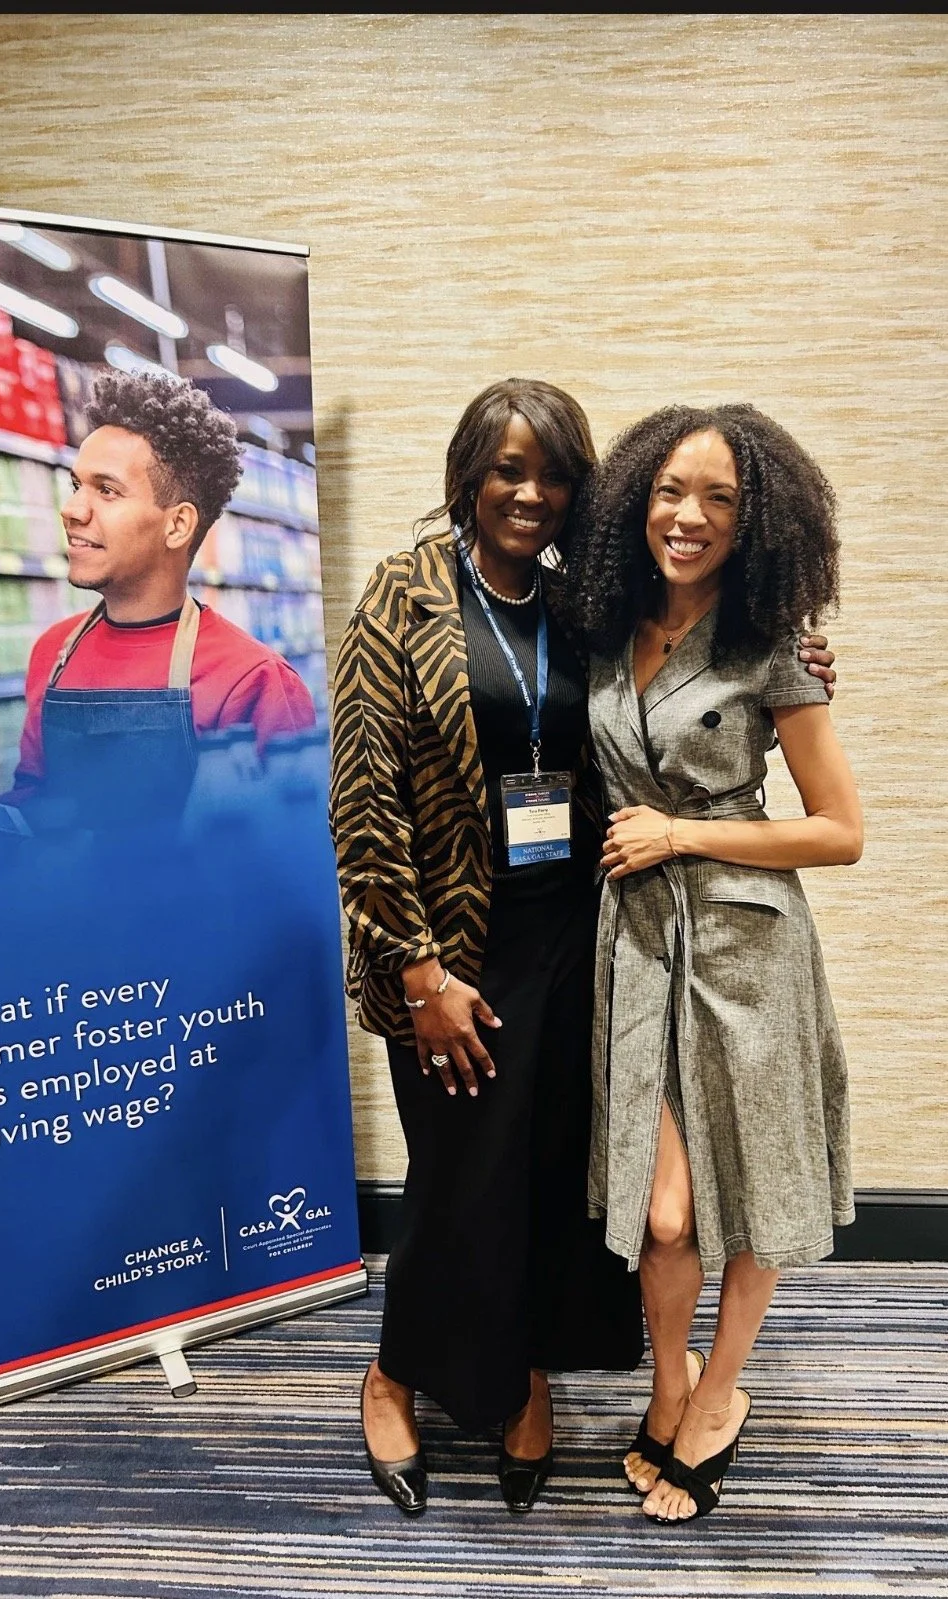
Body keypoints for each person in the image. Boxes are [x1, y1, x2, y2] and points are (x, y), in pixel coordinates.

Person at [329, 381, 837, 1516]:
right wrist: (417, 970)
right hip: (453, 950)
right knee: (459, 1177)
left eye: (554, 472)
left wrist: (785, 664)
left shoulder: (582, 605)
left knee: (551, 1179)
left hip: (584, 931)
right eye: (508, 469)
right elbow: (361, 807)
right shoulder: (400, 602)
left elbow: (663, 710)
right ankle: (394, 1374)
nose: (530, 492)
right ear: (467, 475)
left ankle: (522, 1381)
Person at [567, 404, 862, 1522]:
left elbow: (839, 830)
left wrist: (682, 832)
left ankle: (718, 1393)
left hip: (746, 943)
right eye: (670, 492)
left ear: (756, 522)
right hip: (638, 943)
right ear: (635, 500)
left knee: (759, 1185)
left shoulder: (773, 647)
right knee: (665, 1212)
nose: (688, 517)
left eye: (721, 500)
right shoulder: (603, 623)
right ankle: (672, 1380)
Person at [7, 370, 314, 829]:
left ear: (177, 525)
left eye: (106, 491)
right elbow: (32, 799)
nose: (72, 510)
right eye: (76, 486)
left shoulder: (254, 681)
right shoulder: (52, 653)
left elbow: (287, 857)